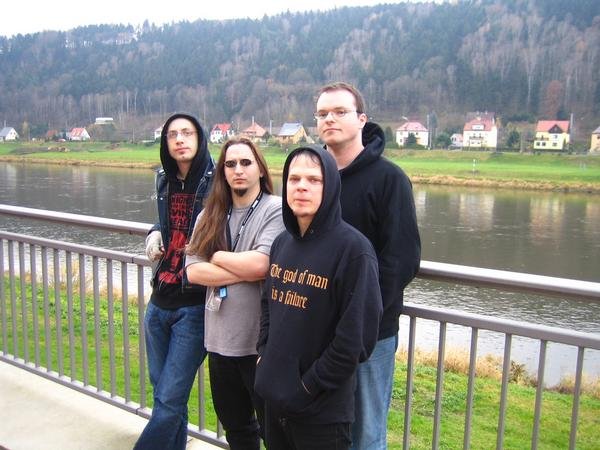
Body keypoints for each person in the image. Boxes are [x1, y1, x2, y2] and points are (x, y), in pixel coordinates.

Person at [315, 82, 421, 449]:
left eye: (339, 112)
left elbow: (401, 260)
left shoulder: (389, 179)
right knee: (319, 427)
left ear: (362, 119)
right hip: (314, 327)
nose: (329, 119)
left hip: (369, 334)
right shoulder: (312, 177)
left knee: (365, 433)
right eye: (322, 113)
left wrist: (362, 316)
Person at [254, 146, 383, 450]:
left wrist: (308, 386)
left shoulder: (353, 250)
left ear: (331, 187)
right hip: (275, 398)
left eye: (314, 180)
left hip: (321, 412)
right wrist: (264, 354)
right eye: (294, 178)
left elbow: (355, 340)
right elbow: (268, 304)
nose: (302, 187)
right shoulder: (282, 243)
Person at [185, 137, 284, 450]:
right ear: (222, 172)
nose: (238, 170)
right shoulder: (209, 215)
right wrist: (245, 269)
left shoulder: (275, 209)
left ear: (260, 169)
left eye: (245, 162)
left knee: (274, 433)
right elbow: (193, 271)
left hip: (260, 345)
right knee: (237, 431)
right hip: (219, 342)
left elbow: (262, 264)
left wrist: (216, 256)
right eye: (230, 164)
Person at [134, 113, 215, 450]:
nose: (180, 139)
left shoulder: (218, 181)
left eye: (187, 132)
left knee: (168, 400)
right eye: (172, 134)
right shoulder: (164, 179)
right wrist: (154, 232)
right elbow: (168, 222)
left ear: (200, 138)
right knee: (166, 395)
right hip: (159, 301)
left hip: (194, 305)